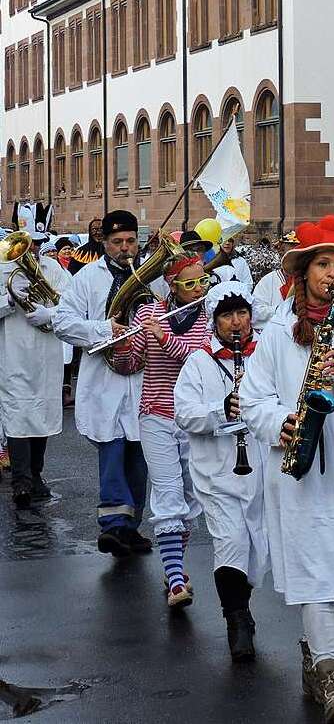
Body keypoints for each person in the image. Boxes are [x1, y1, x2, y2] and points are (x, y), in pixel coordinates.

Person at [240, 215, 334, 724]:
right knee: (317, 572)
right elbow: (252, 400)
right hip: (301, 470)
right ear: (303, 271)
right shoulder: (278, 332)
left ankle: (314, 655)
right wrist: (281, 422)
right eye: (323, 264)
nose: (333, 274)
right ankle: (332, 681)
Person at [175, 281, 269, 659]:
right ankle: (236, 618)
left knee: (253, 547)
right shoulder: (199, 361)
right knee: (231, 542)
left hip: (262, 469)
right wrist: (220, 410)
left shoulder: (264, 355)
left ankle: (242, 606)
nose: (237, 322)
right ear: (214, 320)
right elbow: (184, 413)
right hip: (217, 472)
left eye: (242, 313)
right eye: (227, 315)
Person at [112, 252, 212, 609]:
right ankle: (174, 580)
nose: (199, 288)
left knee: (191, 496)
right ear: (172, 285)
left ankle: (175, 566)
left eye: (203, 281)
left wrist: (164, 339)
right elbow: (130, 364)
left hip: (194, 418)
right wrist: (122, 344)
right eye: (191, 283)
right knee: (168, 493)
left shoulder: (209, 317)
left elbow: (202, 360)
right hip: (156, 414)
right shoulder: (149, 313)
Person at [53, 210, 153, 557]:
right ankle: (113, 527)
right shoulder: (86, 279)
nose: (125, 249)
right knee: (112, 453)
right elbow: (62, 322)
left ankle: (131, 527)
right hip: (105, 381)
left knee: (140, 460)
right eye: (117, 243)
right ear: (104, 242)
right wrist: (102, 329)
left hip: (143, 380)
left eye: (130, 241)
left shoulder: (152, 277)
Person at [0, 228, 72, 509]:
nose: (30, 251)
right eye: (27, 246)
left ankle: (36, 473)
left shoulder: (52, 267)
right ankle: (21, 482)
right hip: (13, 353)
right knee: (18, 414)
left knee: (41, 414)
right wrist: (9, 299)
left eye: (35, 246)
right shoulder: (3, 270)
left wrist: (49, 313)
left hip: (45, 353)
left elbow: (69, 302)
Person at [252, 231, 300, 330]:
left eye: (299, 247)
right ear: (281, 251)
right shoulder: (268, 281)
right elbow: (255, 312)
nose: (297, 252)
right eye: (292, 247)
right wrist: (282, 309)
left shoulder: (312, 280)